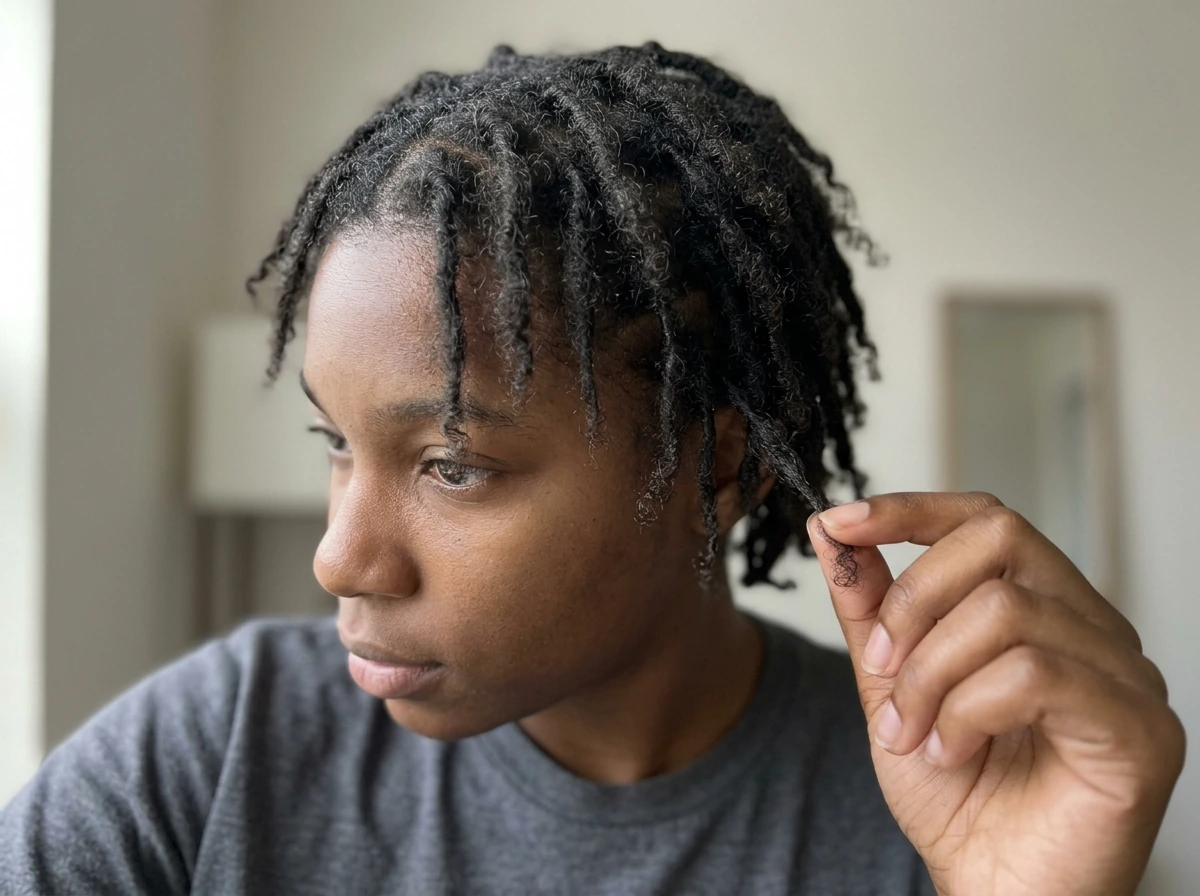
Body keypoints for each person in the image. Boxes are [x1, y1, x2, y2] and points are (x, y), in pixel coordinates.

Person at [0, 42, 1184, 895]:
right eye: (335, 444)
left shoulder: (938, 801)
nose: (338, 554)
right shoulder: (214, 758)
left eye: (452, 463)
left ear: (713, 466)